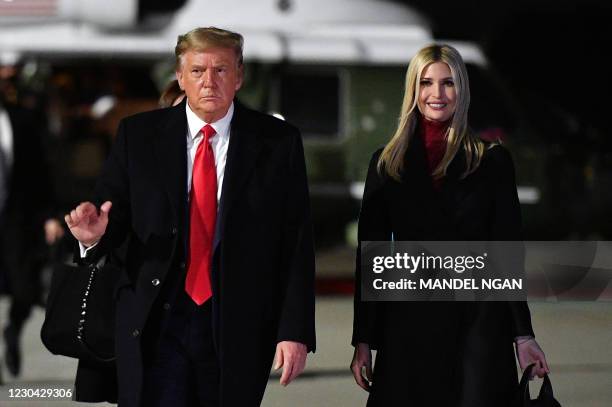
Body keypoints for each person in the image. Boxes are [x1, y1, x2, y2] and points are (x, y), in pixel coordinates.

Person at [64, 27, 315, 407]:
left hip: (238, 323)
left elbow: (296, 243)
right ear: (180, 77)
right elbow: (112, 217)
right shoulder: (138, 136)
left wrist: (293, 331)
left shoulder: (278, 142)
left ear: (239, 77)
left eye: (221, 70)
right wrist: (94, 236)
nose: (209, 82)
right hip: (154, 321)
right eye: (197, 71)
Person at [350, 44, 549, 407]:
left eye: (448, 83)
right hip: (409, 325)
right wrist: (363, 338)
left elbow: (507, 253)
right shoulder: (385, 163)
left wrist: (523, 334)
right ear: (414, 90)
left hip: (478, 327)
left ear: (463, 90)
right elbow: (371, 260)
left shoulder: (492, 160)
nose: (437, 94)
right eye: (426, 83)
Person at [0, 86, 55, 379]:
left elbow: (40, 172)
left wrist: (49, 216)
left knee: (25, 289)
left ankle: (12, 330)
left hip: (16, 220)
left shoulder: (21, 120)